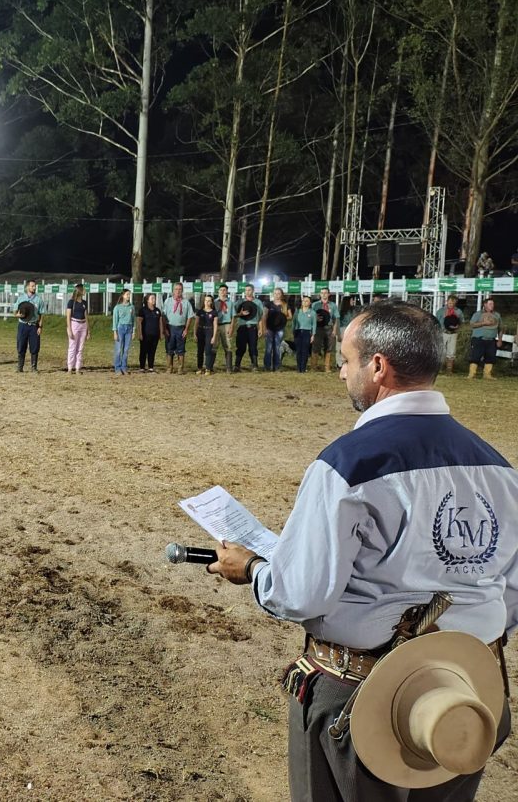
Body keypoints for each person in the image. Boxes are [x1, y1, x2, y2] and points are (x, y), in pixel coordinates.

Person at [207, 300, 518, 801]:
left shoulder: (348, 465)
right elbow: (510, 593)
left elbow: (303, 594)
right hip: (467, 695)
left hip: (365, 698)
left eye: (346, 361)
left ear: (378, 367)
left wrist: (255, 570)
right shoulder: (500, 469)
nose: (340, 373)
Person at [163, 282, 195, 375]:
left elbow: (190, 316)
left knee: (181, 349)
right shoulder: (168, 301)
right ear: (173, 291)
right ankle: (169, 368)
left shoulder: (186, 302)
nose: (178, 291)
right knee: (169, 348)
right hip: (170, 327)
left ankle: (180, 368)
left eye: (180, 289)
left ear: (182, 291)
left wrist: (186, 329)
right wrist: (165, 329)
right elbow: (163, 316)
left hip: (181, 328)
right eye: (176, 289)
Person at [467, 297, 503, 380]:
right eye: (490, 304)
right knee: (475, 356)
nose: (492, 305)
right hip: (479, 338)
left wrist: (500, 339)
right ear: (485, 305)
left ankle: (487, 374)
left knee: (490, 357)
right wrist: (483, 323)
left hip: (491, 340)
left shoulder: (497, 315)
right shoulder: (478, 314)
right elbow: (472, 324)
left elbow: (501, 328)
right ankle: (472, 374)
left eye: (493, 304)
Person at [13, 279, 43, 373]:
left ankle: (34, 367)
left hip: (34, 325)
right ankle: (20, 367)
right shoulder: (21, 298)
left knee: (35, 346)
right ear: (27, 287)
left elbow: (41, 314)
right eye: (32, 286)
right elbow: (15, 311)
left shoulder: (39, 300)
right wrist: (18, 315)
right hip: (23, 325)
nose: (34, 288)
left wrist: (40, 327)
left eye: (35, 286)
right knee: (21, 345)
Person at [233, 285, 263, 373]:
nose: (247, 292)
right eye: (246, 290)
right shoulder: (240, 302)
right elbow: (233, 314)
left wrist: (261, 328)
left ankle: (254, 365)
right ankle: (237, 365)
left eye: (249, 290)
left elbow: (260, 317)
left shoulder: (258, 302)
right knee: (240, 347)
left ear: (253, 291)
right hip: (242, 327)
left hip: (253, 328)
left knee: (253, 347)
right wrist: (240, 314)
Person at [263, 287, 290, 372]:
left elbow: (290, 316)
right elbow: (264, 316)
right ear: (273, 294)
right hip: (269, 328)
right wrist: (264, 328)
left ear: (282, 294)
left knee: (277, 347)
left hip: (279, 329)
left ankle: (276, 366)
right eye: (275, 293)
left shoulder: (285, 305)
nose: (277, 295)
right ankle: (267, 366)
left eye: (279, 293)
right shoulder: (268, 304)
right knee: (269, 347)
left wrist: (282, 318)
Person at [136, 293, 163, 373]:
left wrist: (161, 333)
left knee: (152, 351)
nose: (154, 300)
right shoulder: (143, 310)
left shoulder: (157, 310)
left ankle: (151, 367)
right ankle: (142, 367)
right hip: (145, 334)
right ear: (147, 300)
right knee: (144, 351)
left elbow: (160, 322)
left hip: (155, 335)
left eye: (154, 298)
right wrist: (140, 333)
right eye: (152, 298)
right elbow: (139, 322)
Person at [66, 283, 89, 374]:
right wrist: (69, 329)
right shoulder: (71, 302)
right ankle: (70, 368)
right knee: (72, 347)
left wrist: (88, 330)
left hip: (83, 325)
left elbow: (86, 316)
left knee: (80, 348)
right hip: (74, 323)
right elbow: (68, 316)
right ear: (80, 290)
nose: (85, 291)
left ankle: (78, 368)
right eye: (83, 289)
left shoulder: (84, 302)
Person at [312, 288, 337, 373]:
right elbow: (311, 316)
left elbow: (336, 318)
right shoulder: (315, 305)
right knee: (316, 347)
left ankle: (327, 367)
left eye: (325, 293)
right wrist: (315, 319)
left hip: (328, 328)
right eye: (322, 293)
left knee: (328, 348)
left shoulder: (333, 305)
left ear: (329, 294)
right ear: (320, 294)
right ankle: (314, 366)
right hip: (318, 328)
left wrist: (334, 330)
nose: (324, 294)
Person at [440, 294, 465, 376]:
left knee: (451, 352)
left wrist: (458, 326)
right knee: (441, 351)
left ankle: (449, 370)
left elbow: (462, 321)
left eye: (453, 302)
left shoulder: (458, 311)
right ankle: (439, 369)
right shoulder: (441, 311)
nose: (451, 304)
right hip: (443, 333)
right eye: (450, 302)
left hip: (453, 333)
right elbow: (436, 321)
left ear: (455, 303)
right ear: (447, 301)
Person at [111, 289, 135, 375]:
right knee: (118, 349)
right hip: (120, 328)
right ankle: (117, 368)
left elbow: (133, 320)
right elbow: (115, 320)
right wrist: (115, 332)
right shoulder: (117, 307)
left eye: (129, 294)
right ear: (123, 296)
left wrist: (133, 331)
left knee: (126, 350)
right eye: (127, 294)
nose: (128, 296)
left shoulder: (132, 307)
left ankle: (124, 367)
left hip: (129, 329)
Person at [194, 293, 219, 375]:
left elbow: (215, 325)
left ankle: (208, 368)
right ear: (203, 301)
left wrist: (214, 337)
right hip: (200, 331)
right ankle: (200, 368)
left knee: (208, 350)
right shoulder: (200, 311)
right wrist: (195, 334)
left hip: (209, 332)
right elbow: (196, 323)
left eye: (209, 301)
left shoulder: (214, 312)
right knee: (200, 351)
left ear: (211, 302)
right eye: (206, 300)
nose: (207, 302)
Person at [214, 284, 234, 373]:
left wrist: (232, 327)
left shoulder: (230, 303)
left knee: (228, 345)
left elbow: (233, 316)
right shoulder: (214, 303)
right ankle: (210, 366)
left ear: (227, 292)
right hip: (217, 325)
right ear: (218, 291)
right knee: (214, 345)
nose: (222, 292)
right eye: (221, 290)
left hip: (227, 325)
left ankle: (229, 367)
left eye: (224, 290)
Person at [293, 295, 316, 373]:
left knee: (305, 351)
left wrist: (313, 335)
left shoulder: (312, 313)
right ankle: (298, 367)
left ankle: (303, 368)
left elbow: (314, 325)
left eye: (307, 301)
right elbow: (294, 322)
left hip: (307, 332)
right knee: (298, 350)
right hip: (298, 332)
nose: (305, 302)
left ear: (310, 303)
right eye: (303, 301)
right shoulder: (297, 311)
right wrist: (294, 332)